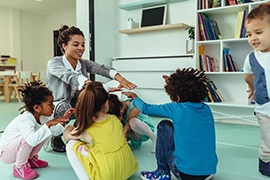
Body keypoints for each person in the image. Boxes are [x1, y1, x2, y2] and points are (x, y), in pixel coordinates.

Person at [46, 25, 137, 152]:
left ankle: (77, 133)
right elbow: (69, 76)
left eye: (83, 45)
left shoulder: (83, 63)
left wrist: (121, 79)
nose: (81, 48)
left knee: (91, 100)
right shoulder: (54, 63)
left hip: (75, 101)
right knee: (65, 107)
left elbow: (101, 68)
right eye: (76, 44)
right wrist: (89, 83)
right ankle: (56, 136)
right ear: (64, 46)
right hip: (56, 104)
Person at [124, 68, 218, 180]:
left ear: (177, 98)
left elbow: (146, 108)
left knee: (164, 126)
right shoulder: (206, 108)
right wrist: (173, 84)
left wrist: (134, 97)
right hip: (208, 171)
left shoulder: (176, 108)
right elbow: (187, 91)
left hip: (185, 174)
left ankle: (161, 172)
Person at [63, 81, 138, 180]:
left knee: (71, 145)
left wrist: (68, 126)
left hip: (107, 176)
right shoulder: (114, 119)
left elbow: (66, 136)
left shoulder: (86, 129)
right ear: (106, 103)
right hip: (128, 169)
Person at [0, 81, 75, 180]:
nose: (53, 107)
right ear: (36, 107)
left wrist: (64, 121)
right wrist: (49, 124)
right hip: (5, 153)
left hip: (15, 149)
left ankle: (30, 159)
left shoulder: (42, 117)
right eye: (50, 104)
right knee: (32, 137)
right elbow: (31, 141)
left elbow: (53, 132)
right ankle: (19, 167)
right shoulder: (25, 119)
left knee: (44, 132)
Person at [244, 2, 270, 177]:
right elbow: (248, 76)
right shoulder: (251, 57)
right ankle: (265, 163)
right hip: (264, 109)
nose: (253, 38)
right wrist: (253, 90)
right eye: (249, 34)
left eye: (259, 32)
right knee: (267, 139)